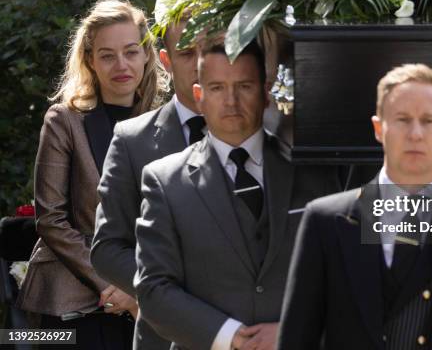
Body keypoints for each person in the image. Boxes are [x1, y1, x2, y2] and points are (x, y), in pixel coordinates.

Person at [278, 64, 432, 350]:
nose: (415, 134)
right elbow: (296, 341)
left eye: (429, 120)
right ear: (379, 129)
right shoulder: (325, 221)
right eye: (402, 119)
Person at [134, 40, 340, 350]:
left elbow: (346, 276)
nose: (231, 101)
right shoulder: (164, 181)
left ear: (265, 92)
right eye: (217, 88)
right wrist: (227, 335)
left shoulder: (316, 174)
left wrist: (293, 330)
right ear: (200, 96)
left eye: (244, 86)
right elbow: (153, 289)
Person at [16, 0, 168, 349]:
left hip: (148, 299)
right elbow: (51, 218)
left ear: (147, 55)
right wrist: (114, 284)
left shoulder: (166, 124)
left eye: (131, 51)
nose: (121, 65)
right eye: (107, 55)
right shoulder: (64, 121)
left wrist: (140, 290)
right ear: (89, 61)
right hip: (76, 298)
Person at [91, 0, 201, 350]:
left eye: (212, 50)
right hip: (165, 333)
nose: (201, 64)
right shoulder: (132, 140)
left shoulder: (266, 136)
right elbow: (107, 247)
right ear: (166, 60)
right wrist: (165, 293)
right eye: (187, 53)